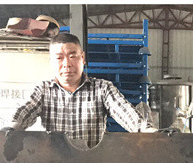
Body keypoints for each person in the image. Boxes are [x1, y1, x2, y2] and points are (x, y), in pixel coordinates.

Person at [11, 32, 157, 147]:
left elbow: (125, 112)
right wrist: (10, 128)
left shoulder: (102, 88)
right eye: (59, 58)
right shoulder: (42, 90)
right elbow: (24, 112)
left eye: (72, 56)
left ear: (83, 58)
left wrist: (149, 131)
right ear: (51, 62)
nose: (67, 64)